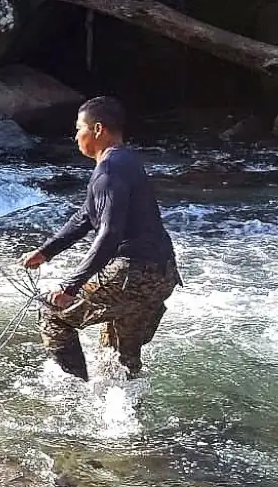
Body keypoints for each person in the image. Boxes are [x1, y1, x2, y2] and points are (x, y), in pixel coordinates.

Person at [19, 96, 180, 381]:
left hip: (133, 275)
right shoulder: (127, 160)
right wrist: (45, 252)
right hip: (163, 275)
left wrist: (70, 286)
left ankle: (76, 394)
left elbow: (109, 233)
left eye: (79, 128)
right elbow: (85, 217)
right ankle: (125, 415)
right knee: (118, 359)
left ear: (97, 130)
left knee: (52, 313)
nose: (76, 136)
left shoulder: (107, 171)